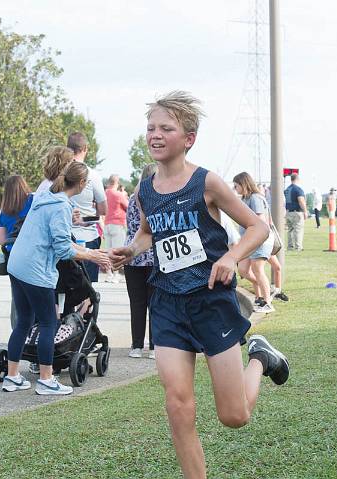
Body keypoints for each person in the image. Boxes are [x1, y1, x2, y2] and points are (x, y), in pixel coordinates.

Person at [109, 91, 290, 479]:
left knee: (234, 416)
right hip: (167, 304)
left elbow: (259, 227)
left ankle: (260, 357)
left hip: (210, 303)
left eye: (165, 128)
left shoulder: (207, 182)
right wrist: (131, 250)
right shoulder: (145, 189)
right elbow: (148, 235)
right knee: (178, 404)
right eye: (151, 128)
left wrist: (230, 257)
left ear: (188, 138)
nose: (155, 135)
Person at [3, 161, 111, 395]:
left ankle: (11, 376)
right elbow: (63, 249)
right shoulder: (61, 206)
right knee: (48, 323)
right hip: (35, 269)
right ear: (82, 184)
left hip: (17, 264)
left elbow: (57, 239)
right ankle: (46, 380)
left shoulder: (43, 199)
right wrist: (92, 256)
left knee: (24, 321)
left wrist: (90, 253)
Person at [125, 164, 158, 359]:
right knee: (155, 303)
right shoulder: (156, 198)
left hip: (133, 255)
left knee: (136, 303)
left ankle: (136, 346)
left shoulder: (131, 199)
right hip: (154, 256)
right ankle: (154, 346)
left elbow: (131, 225)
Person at [67, 132, 107, 283]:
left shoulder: (59, 172)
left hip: (63, 235)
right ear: (85, 149)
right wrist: (86, 219)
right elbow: (103, 212)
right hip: (87, 237)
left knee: (63, 290)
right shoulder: (93, 175)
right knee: (87, 290)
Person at [233, 172, 275, 313]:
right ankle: (261, 294)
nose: (235, 188)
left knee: (258, 269)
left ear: (243, 184)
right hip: (249, 241)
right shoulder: (245, 198)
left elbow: (261, 222)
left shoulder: (256, 198)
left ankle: (267, 302)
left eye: (236, 185)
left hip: (259, 240)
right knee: (243, 270)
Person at [0, 175, 34, 330]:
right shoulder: (32, 201)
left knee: (17, 295)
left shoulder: (5, 210)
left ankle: (18, 328)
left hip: (13, 256)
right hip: (31, 253)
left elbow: (1, 239)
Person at [104, 174, 129, 283]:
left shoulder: (105, 193)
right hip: (117, 223)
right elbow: (128, 207)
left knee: (108, 250)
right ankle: (116, 274)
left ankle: (108, 274)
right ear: (117, 183)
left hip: (107, 223)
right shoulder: (118, 194)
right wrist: (124, 195)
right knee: (117, 251)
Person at [283, 173, 307, 250]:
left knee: (290, 230)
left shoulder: (286, 189)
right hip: (297, 212)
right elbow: (301, 201)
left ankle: (290, 246)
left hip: (288, 212)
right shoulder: (298, 189)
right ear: (297, 179)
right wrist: (305, 211)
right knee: (298, 230)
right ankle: (298, 247)